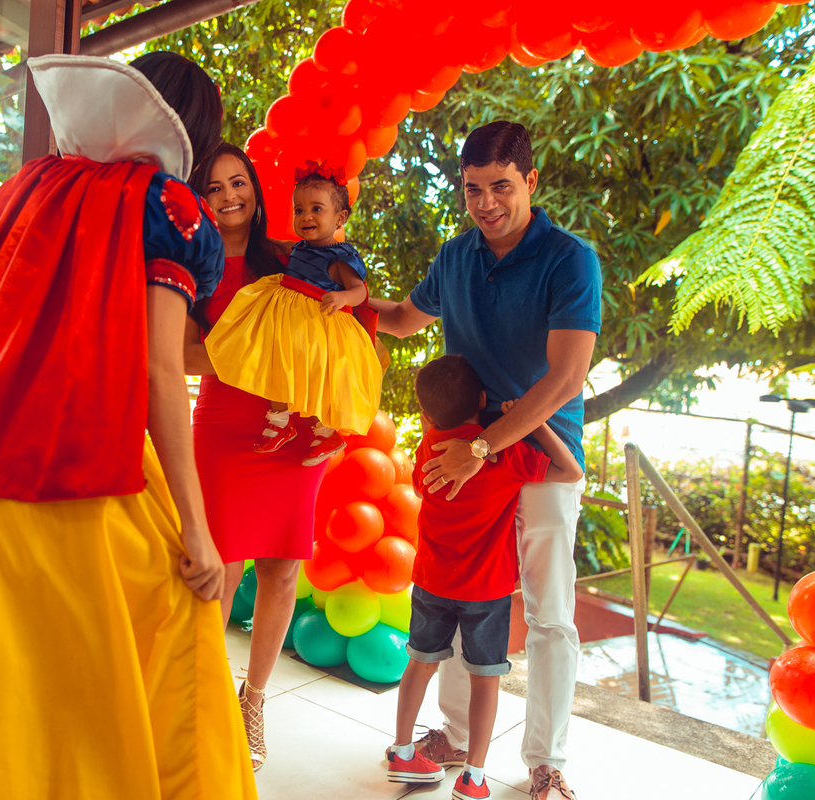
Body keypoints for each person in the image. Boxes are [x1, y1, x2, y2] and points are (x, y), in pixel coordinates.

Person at [0, 53, 257, 800]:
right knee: (136, 663)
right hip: (69, 479)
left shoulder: (27, 185)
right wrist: (198, 528)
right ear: (194, 128)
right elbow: (162, 373)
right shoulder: (169, 208)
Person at [370, 120, 601, 800]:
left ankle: (547, 761)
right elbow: (406, 318)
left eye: (501, 186)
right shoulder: (456, 256)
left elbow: (565, 378)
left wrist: (483, 448)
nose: (487, 203)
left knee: (550, 611)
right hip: (473, 455)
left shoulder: (569, 258)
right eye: (473, 190)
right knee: (462, 590)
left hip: (543, 456)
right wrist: (354, 303)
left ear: (531, 181)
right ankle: (456, 738)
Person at [185, 142, 328, 770]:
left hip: (289, 427)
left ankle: (253, 701)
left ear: (255, 188)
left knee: (281, 571)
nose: (228, 197)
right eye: (214, 188)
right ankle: (197, 698)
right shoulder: (194, 263)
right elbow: (182, 357)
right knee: (221, 570)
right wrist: (245, 350)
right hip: (222, 429)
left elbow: (331, 335)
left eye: (237, 182)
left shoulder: (289, 259)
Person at [386, 355, 582, 800]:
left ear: (425, 414)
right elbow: (570, 472)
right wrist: (531, 423)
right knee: (485, 680)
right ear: (482, 400)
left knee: (419, 662)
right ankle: (473, 777)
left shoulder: (430, 446)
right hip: (485, 593)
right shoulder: (508, 454)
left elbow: (419, 487)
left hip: (431, 584)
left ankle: (402, 751)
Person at [203, 162, 383, 466]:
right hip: (287, 308)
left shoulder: (339, 256)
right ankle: (280, 421)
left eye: (316, 209)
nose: (306, 216)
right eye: (299, 210)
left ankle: (326, 430)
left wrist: (342, 297)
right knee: (280, 365)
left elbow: (360, 291)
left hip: (317, 316)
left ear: (340, 218)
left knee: (314, 372)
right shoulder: (296, 248)